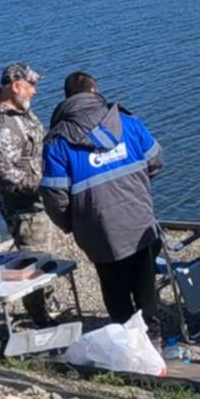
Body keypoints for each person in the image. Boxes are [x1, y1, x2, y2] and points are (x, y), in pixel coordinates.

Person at [41, 71, 165, 340]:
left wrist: (72, 224)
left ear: (67, 99)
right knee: (145, 282)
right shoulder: (126, 121)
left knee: (113, 286)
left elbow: (54, 197)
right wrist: (136, 187)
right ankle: (153, 340)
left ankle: (126, 344)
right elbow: (155, 160)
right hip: (137, 217)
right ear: (94, 90)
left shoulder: (57, 141)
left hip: (96, 230)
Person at [0, 61, 70, 327]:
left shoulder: (20, 115)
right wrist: (47, 185)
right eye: (31, 86)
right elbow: (8, 176)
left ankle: (48, 304)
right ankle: (41, 320)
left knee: (47, 259)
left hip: (40, 203)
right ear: (16, 86)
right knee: (36, 263)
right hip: (25, 210)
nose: (35, 91)